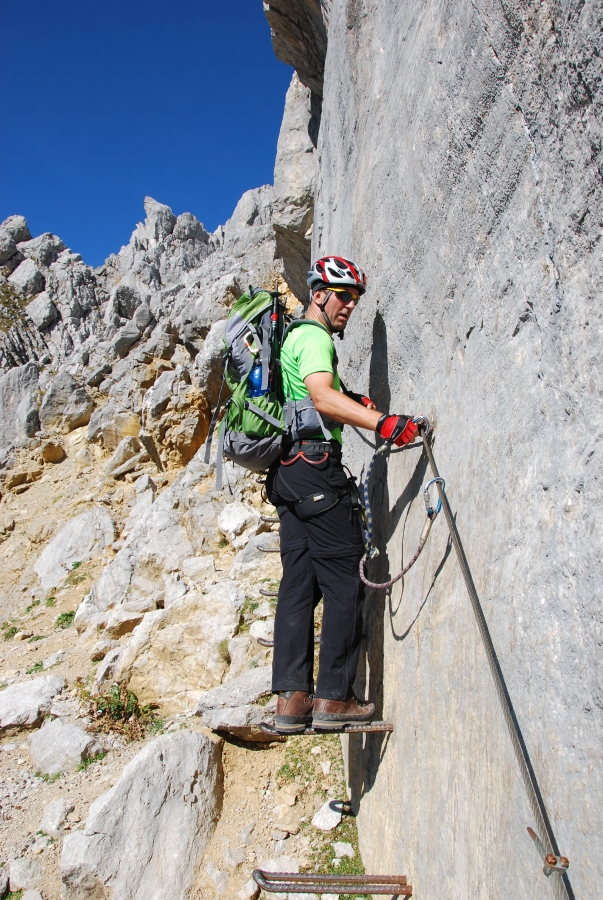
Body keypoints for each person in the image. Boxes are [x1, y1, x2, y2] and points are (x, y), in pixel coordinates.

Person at [267, 255, 419, 733]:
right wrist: (384, 423)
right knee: (346, 580)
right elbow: (320, 397)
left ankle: (292, 700)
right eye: (343, 296)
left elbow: (310, 398)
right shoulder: (314, 337)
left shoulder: (293, 338)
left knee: (298, 585)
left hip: (289, 475)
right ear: (319, 295)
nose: (350, 306)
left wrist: (352, 400)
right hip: (317, 471)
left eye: (355, 299)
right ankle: (334, 699)